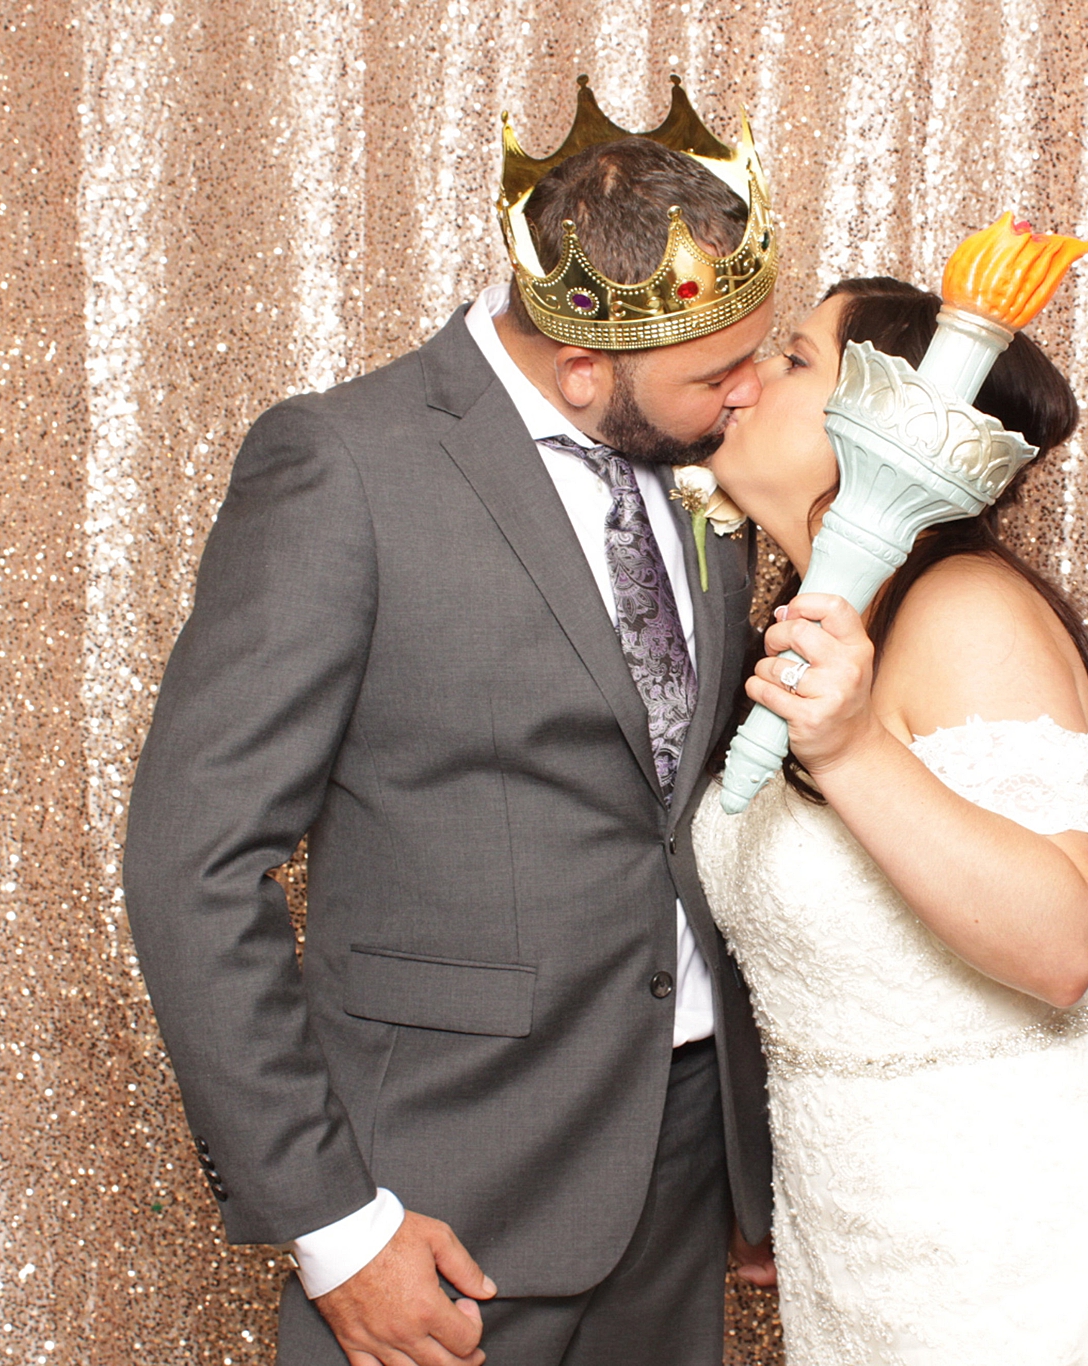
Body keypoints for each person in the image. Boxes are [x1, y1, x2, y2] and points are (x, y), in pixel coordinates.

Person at [124, 80, 778, 1366]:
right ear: (582, 363)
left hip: (682, 1152)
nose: (756, 392)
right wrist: (333, 1224)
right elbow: (191, 864)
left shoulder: (706, 467)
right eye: (719, 372)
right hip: (438, 1188)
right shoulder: (344, 466)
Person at [693, 277, 1088, 1363]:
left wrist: (849, 750)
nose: (743, 383)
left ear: (887, 420)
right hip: (854, 1216)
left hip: (1012, 1222)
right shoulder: (800, 626)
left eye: (793, 359)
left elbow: (1059, 943)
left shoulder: (964, 611)